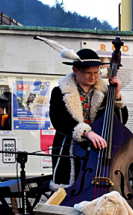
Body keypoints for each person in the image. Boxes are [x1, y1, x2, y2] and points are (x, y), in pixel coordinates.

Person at [49, 48, 125, 191]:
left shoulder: (105, 92)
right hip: (70, 151)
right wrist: (86, 132)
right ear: (75, 70)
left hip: (97, 154)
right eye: (89, 73)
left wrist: (115, 95)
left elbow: (120, 122)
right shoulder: (60, 92)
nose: (93, 77)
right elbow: (59, 120)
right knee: (69, 192)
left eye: (96, 73)